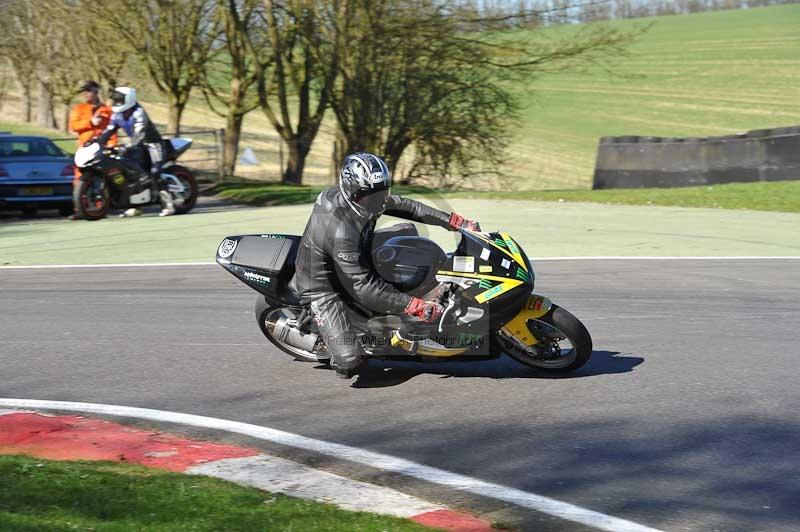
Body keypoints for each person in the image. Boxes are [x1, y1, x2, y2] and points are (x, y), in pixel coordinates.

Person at [293, 152, 480, 379]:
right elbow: (364, 287)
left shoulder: (362, 199)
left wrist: (455, 222)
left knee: (406, 230)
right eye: (371, 196)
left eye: (382, 192)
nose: (379, 201)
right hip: (323, 286)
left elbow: (406, 206)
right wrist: (415, 306)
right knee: (350, 363)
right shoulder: (341, 230)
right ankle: (330, 338)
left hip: (353, 250)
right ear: (351, 191)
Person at [96, 86, 174, 217]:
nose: (116, 103)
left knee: (155, 172)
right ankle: (136, 206)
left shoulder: (138, 112)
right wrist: (97, 142)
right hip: (137, 146)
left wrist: (126, 146)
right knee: (131, 173)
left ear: (129, 99)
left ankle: (168, 205)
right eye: (115, 100)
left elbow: (139, 134)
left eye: (119, 100)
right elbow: (108, 131)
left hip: (153, 144)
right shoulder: (117, 115)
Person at [68, 81, 116, 220]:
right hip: (85, 148)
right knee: (80, 177)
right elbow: (73, 126)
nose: (85, 94)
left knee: (103, 177)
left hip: (102, 147)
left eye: (88, 91)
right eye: (84, 91)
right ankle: (79, 209)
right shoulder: (80, 108)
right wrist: (90, 122)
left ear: (96, 92)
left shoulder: (106, 110)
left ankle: (102, 207)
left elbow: (111, 129)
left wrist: (112, 144)